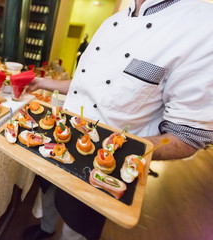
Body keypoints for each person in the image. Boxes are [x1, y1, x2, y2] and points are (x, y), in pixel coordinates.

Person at [23, 0, 213, 239]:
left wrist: (115, 149)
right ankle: (46, 228)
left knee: (78, 223)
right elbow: (91, 84)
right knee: (48, 190)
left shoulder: (202, 24)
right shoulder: (115, 20)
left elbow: (187, 135)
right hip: (63, 134)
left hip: (105, 160)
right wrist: (45, 83)